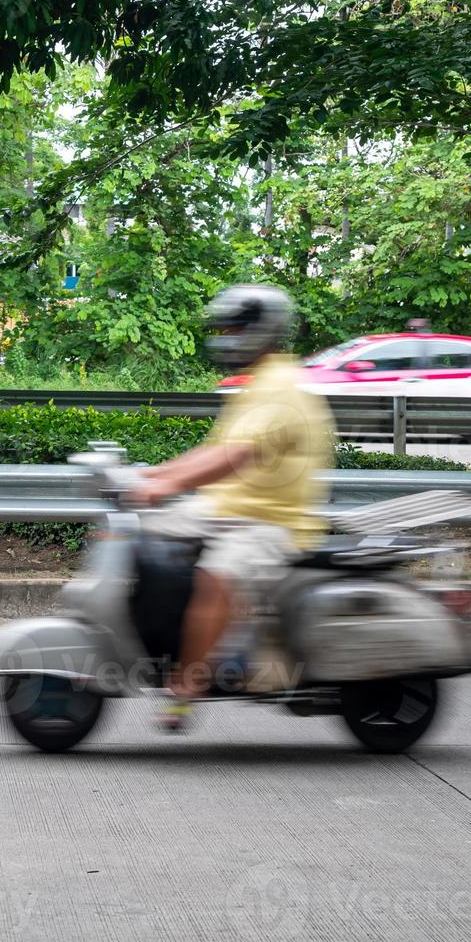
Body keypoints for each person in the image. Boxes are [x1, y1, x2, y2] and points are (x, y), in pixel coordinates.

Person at [127, 284, 334, 729]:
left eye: (233, 328)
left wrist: (166, 484)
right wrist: (153, 477)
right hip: (229, 509)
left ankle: (189, 683)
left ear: (261, 332)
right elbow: (213, 448)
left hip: (269, 521)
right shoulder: (257, 383)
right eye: (222, 328)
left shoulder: (281, 387)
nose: (224, 337)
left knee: (214, 578)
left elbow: (232, 456)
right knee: (136, 531)